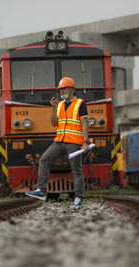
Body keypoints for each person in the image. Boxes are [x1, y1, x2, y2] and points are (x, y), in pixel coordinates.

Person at [26, 77, 89, 207]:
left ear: (71, 89)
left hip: (74, 143)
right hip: (59, 141)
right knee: (44, 160)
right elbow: (54, 123)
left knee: (76, 170)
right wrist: (53, 109)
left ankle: (79, 198)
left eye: (64, 89)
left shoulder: (80, 103)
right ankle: (42, 191)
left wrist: (86, 142)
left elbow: (85, 123)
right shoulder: (59, 105)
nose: (61, 91)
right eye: (60, 89)